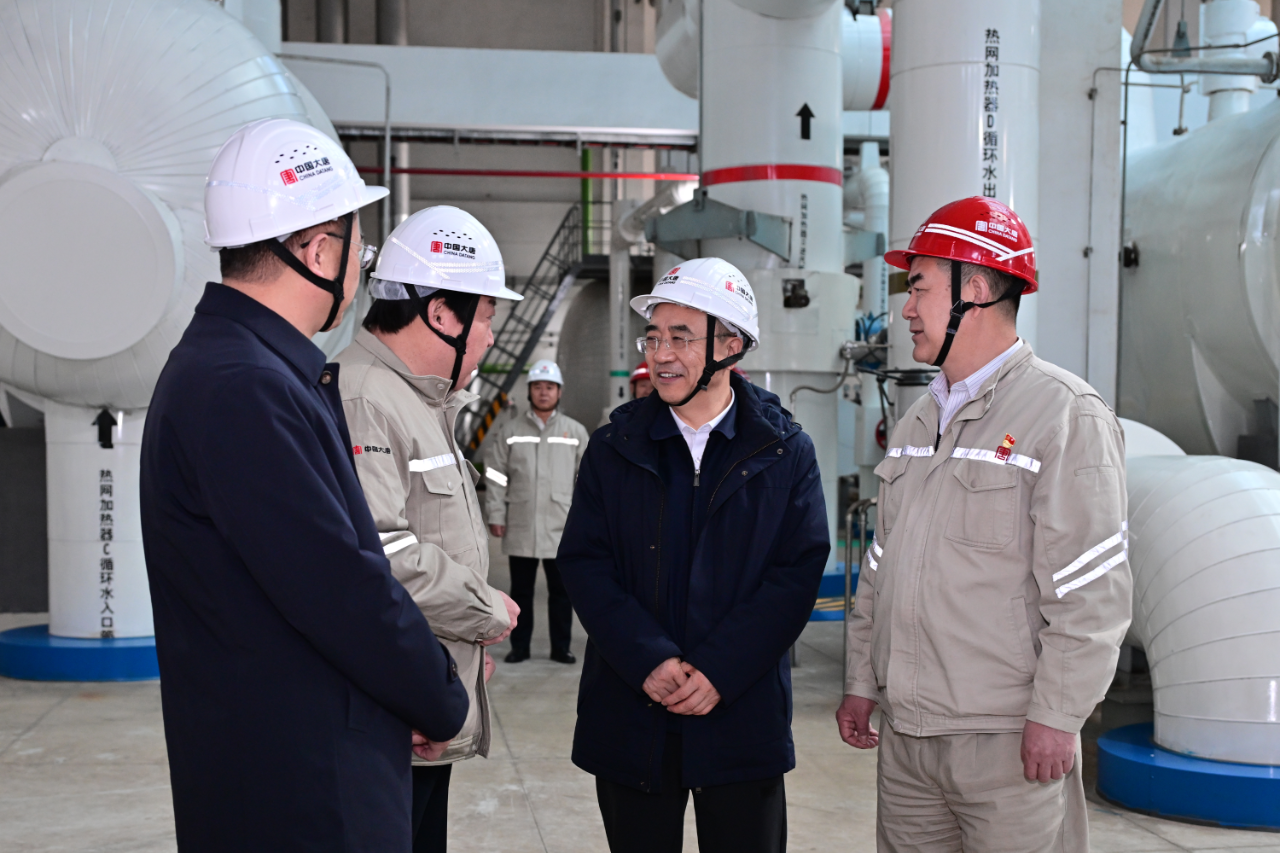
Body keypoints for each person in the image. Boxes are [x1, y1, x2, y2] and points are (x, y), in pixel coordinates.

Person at [140, 118, 468, 853]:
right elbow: (341, 588)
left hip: (281, 764)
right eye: (359, 245)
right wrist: (436, 695)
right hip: (303, 789)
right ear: (319, 250)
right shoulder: (244, 386)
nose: (361, 266)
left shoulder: (239, 368)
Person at [837, 197, 1131, 853]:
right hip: (907, 740)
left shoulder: (1064, 414)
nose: (906, 309)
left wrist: (1057, 715)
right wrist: (861, 680)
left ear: (974, 289)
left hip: (1007, 743)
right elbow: (879, 569)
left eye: (918, 287)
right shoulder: (917, 422)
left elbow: (1091, 590)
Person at [558, 258, 830, 853]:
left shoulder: (784, 452)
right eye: (653, 337)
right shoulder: (614, 448)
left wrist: (720, 671)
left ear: (731, 345)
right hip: (634, 709)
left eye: (681, 338)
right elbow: (585, 563)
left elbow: (796, 574)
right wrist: (648, 659)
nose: (661, 354)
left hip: (741, 717)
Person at [333, 205, 524, 851]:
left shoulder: (418, 397)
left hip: (422, 694)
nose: (490, 337)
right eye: (487, 317)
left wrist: (460, 658)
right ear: (442, 313)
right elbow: (377, 555)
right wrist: (483, 610)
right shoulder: (366, 396)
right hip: (391, 707)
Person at [483, 358, 590, 664]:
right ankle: (520, 647)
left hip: (562, 525)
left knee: (562, 592)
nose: (544, 392)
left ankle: (561, 648)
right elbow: (496, 476)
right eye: (538, 387)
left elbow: (587, 481)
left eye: (550, 387)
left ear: (559, 391)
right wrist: (495, 514)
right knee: (521, 592)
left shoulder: (575, 432)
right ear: (530, 390)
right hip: (522, 521)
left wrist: (585, 521)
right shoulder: (510, 430)